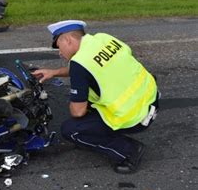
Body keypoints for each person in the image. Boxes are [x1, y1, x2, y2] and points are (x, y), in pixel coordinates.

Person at [33, 20, 159, 173]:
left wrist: (74, 103)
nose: (60, 52)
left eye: (59, 47)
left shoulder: (79, 63)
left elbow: (77, 111)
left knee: (71, 129)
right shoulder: (104, 39)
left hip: (135, 117)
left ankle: (129, 151)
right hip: (150, 97)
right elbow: (90, 67)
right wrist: (54, 72)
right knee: (88, 100)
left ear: (68, 40)